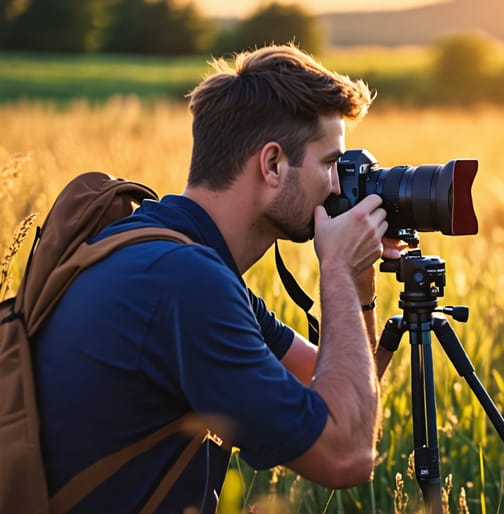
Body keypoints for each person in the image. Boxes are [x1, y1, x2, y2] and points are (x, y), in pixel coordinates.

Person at [33, 43, 400, 513]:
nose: (338, 187)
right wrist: (336, 274)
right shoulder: (188, 284)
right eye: (331, 164)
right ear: (272, 165)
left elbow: (335, 390)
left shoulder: (168, 250)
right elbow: (347, 455)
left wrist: (359, 286)